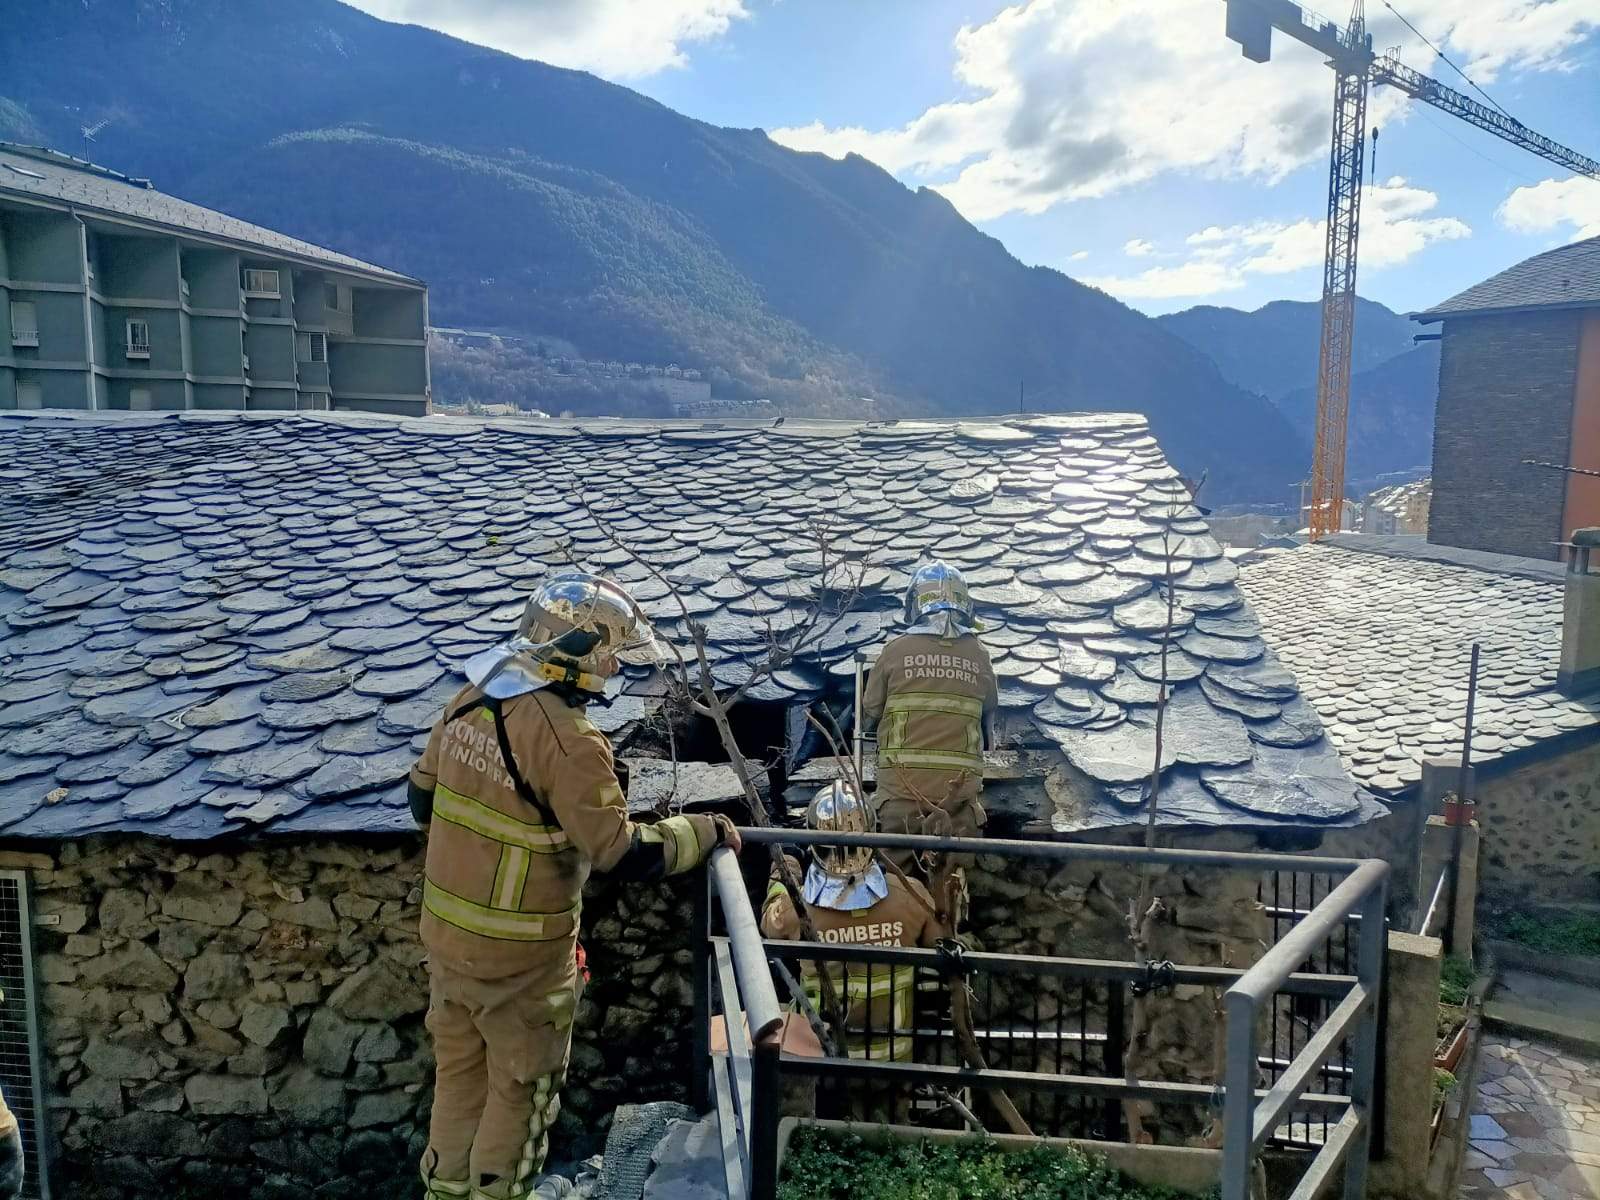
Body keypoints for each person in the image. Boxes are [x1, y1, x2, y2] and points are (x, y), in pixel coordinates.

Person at [409, 571, 741, 1200]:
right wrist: (706, 829)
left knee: (457, 1078)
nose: (614, 671)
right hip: (523, 959)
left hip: (448, 941)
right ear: (580, 651)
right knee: (519, 1091)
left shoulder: (469, 699)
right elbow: (618, 850)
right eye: (611, 655)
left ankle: (443, 1192)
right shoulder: (570, 739)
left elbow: (421, 799)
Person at [761, 782, 943, 1062]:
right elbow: (941, 945)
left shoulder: (797, 908)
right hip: (895, 1066)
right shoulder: (911, 895)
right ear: (872, 837)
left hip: (822, 1066)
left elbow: (768, 925)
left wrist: (784, 868)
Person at [862, 561, 997, 902]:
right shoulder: (980, 656)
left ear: (914, 605)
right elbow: (989, 718)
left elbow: (870, 711)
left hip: (901, 798)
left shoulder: (895, 651)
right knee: (950, 894)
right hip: (959, 805)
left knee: (897, 892)